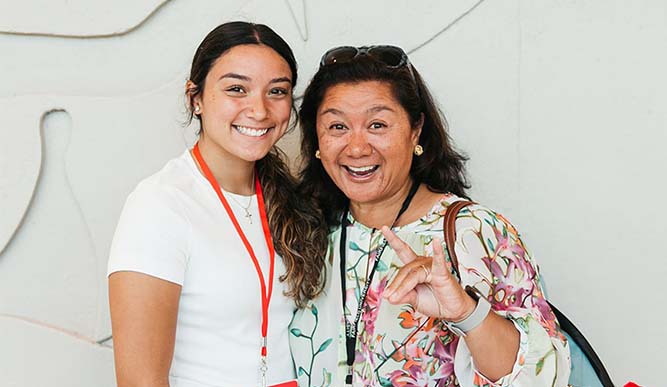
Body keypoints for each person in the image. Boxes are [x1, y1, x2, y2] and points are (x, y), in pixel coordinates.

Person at [290, 46, 571, 387]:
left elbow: (543, 376)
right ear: (317, 139)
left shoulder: (473, 232)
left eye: (377, 124)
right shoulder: (308, 235)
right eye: (337, 126)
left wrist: (466, 313)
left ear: (416, 129)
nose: (357, 147)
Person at [107, 22, 327, 387]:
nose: (259, 110)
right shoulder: (160, 205)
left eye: (277, 91)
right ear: (196, 99)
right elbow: (140, 381)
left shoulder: (291, 198)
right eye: (236, 89)